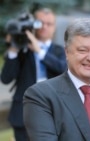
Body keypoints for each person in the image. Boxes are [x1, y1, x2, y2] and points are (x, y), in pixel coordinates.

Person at [0, 8, 67, 141]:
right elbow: (6, 78)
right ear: (33, 24)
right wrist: (13, 48)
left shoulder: (60, 51)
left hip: (53, 112)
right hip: (22, 113)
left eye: (49, 24)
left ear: (54, 27)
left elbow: (63, 70)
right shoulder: (22, 50)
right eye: (40, 23)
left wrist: (39, 50)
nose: (44, 27)